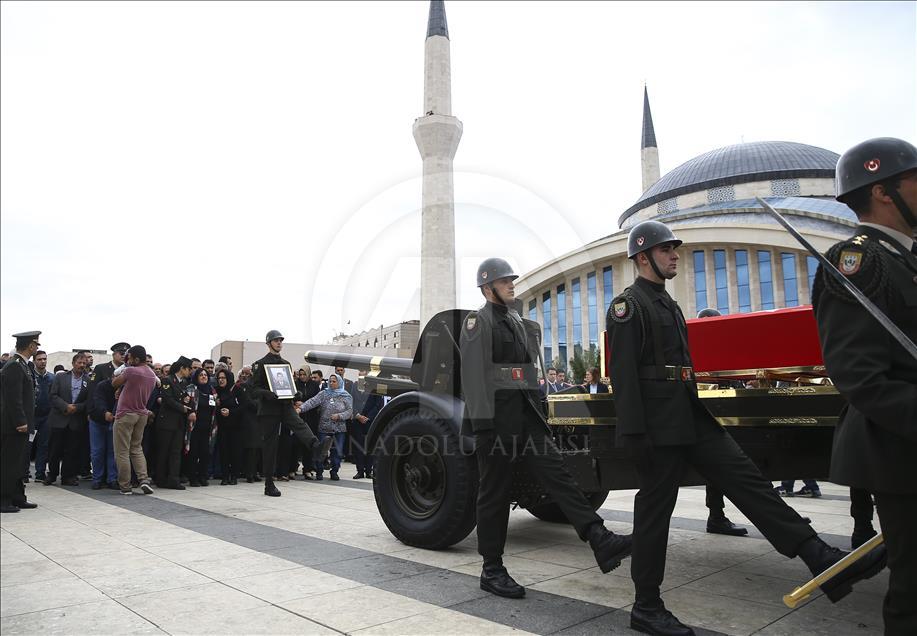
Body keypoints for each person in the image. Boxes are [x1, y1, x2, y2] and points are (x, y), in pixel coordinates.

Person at [607, 220, 888, 636]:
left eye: (675, 250)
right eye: (667, 250)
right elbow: (624, 375)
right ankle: (646, 606)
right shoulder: (628, 306)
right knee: (654, 515)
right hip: (657, 425)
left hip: (689, 415)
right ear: (642, 256)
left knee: (749, 480)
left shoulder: (666, 303)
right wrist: (632, 435)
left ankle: (817, 556)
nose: (675, 256)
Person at [460, 258, 632, 599]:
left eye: (512, 279)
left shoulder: (516, 321)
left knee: (560, 476)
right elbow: (473, 378)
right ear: (487, 287)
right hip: (496, 422)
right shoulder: (476, 323)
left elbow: (526, 374)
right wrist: (483, 429)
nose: (512, 284)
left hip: (527, 417)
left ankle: (600, 538)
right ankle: (491, 569)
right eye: (505, 280)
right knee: (494, 494)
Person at [812, 137, 917, 636]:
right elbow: (861, 376)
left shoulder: (905, 259)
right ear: (883, 191)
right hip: (902, 453)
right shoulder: (858, 261)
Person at [251, 330, 332, 496]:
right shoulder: (260, 364)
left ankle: (316, 447)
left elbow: (290, 386)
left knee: (300, 424)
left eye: (280, 340)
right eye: (276, 341)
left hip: (285, 405)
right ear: (268, 343)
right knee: (270, 447)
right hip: (269, 408)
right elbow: (254, 390)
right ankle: (269, 484)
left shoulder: (286, 364)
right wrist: (268, 394)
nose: (279, 343)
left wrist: (296, 394)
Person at [693, 308, 748, 537]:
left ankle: (717, 516)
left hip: (731, 414)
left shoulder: (727, 349)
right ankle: (716, 516)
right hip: (706, 417)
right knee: (718, 470)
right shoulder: (693, 350)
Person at [1, 331, 42, 513]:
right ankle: (3, 500)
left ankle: (18, 497)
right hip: (13, 425)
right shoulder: (14, 366)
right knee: (9, 463)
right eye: (36, 345)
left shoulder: (24, 366)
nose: (36, 348)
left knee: (18, 463)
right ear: (31, 346)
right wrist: (20, 421)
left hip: (23, 424)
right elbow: (13, 398)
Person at [111, 345, 157, 495]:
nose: (128, 360)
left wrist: (125, 366)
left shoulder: (131, 371)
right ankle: (144, 479)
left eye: (129, 357)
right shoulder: (151, 374)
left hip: (125, 414)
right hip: (142, 414)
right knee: (136, 449)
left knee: (122, 451)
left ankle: (125, 486)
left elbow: (114, 383)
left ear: (136, 359)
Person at [45, 353, 89, 486]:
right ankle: (52, 475)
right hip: (59, 419)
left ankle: (68, 476)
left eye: (84, 363)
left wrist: (77, 407)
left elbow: (89, 401)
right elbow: (53, 396)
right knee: (54, 449)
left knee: (72, 450)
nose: (82, 365)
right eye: (79, 362)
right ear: (73, 363)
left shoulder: (88, 380)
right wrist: (65, 406)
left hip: (75, 420)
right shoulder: (61, 377)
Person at [299, 373, 353, 481]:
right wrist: (301, 408)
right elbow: (312, 402)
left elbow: (349, 411)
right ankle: (319, 471)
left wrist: (339, 416)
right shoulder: (324, 393)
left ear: (339, 382)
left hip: (339, 429)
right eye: (330, 381)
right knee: (321, 450)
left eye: (334, 381)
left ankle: (334, 471)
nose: (331, 383)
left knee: (337, 451)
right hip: (324, 427)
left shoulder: (346, 396)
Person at [155, 356, 194, 490]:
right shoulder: (167, 380)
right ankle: (160, 478)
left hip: (178, 422)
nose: (190, 372)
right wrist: (182, 408)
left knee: (176, 451)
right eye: (189, 369)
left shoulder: (184, 383)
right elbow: (167, 399)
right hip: (166, 422)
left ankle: (174, 479)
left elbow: (187, 399)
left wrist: (188, 408)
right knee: (163, 451)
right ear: (182, 368)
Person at [88, 377, 119, 490]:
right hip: (98, 420)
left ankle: (112, 479)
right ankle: (97, 479)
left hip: (115, 421)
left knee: (113, 451)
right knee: (97, 451)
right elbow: (98, 401)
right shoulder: (102, 385)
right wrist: (105, 412)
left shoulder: (126, 386)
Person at [187, 368, 216, 487]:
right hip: (194, 427)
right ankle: (193, 478)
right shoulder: (191, 389)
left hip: (208, 426)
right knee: (193, 452)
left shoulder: (212, 390)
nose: (204, 377)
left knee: (205, 452)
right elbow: (187, 404)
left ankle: (202, 476)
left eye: (205, 375)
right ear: (196, 377)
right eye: (201, 375)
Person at [352, 369, 383, 479]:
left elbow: (378, 404)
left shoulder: (376, 386)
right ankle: (360, 470)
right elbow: (352, 401)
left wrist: (368, 417)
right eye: (360, 376)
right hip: (357, 420)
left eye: (364, 376)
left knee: (370, 446)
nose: (361, 378)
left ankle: (369, 470)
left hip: (370, 421)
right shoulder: (355, 385)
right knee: (358, 446)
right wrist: (358, 415)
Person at [233, 366, 261, 483]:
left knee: (256, 448)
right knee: (251, 448)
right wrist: (260, 404)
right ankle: (249, 473)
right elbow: (248, 401)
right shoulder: (245, 386)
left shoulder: (257, 386)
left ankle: (253, 472)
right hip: (249, 420)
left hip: (257, 419)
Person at [31, 350, 54, 483]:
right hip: (32, 416)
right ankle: (24, 473)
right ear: (34, 361)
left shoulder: (52, 378)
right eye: (39, 359)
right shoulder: (30, 376)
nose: (42, 361)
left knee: (44, 445)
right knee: (28, 445)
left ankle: (40, 473)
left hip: (47, 417)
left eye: (44, 359)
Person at [215, 369, 241, 485]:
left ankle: (234, 475)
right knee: (223, 450)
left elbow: (243, 406)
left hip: (235, 426)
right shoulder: (216, 391)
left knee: (234, 450)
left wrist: (231, 412)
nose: (221, 380)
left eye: (223, 378)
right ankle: (225, 476)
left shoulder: (237, 390)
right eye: (219, 378)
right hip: (221, 425)